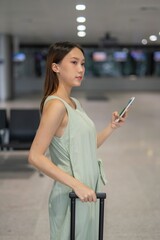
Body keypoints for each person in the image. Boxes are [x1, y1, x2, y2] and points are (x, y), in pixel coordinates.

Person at [28, 41, 127, 240]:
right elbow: (35, 156)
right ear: (55, 67)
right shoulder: (56, 106)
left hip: (87, 191)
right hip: (71, 195)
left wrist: (111, 127)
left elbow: (86, 147)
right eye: (74, 62)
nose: (80, 69)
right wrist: (77, 185)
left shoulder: (74, 103)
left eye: (82, 63)